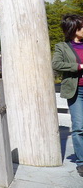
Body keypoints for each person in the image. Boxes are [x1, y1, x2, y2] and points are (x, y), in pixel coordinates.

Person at [52, 14, 83, 177]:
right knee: (79, 126)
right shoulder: (61, 47)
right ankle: (82, 162)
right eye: (82, 26)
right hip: (76, 90)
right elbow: (56, 64)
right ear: (74, 29)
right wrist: (78, 66)